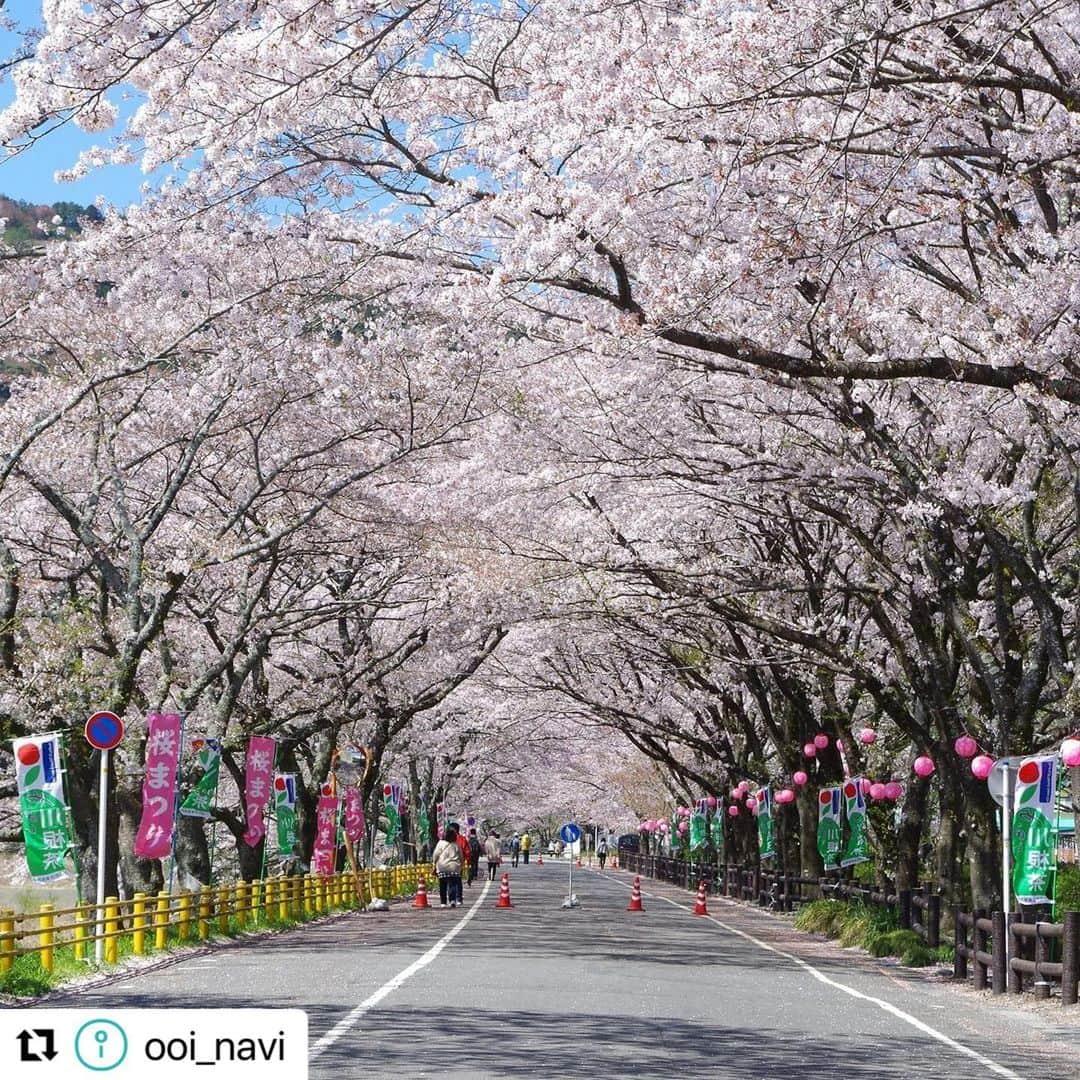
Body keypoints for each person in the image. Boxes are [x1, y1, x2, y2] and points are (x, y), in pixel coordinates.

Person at [432, 823, 464, 908]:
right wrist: (461, 865)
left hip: (442, 867)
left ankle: (443, 902)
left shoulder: (440, 843)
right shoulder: (456, 845)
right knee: (452, 884)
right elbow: (461, 856)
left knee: (443, 885)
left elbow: (436, 855)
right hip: (454, 867)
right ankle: (452, 900)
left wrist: (434, 863)